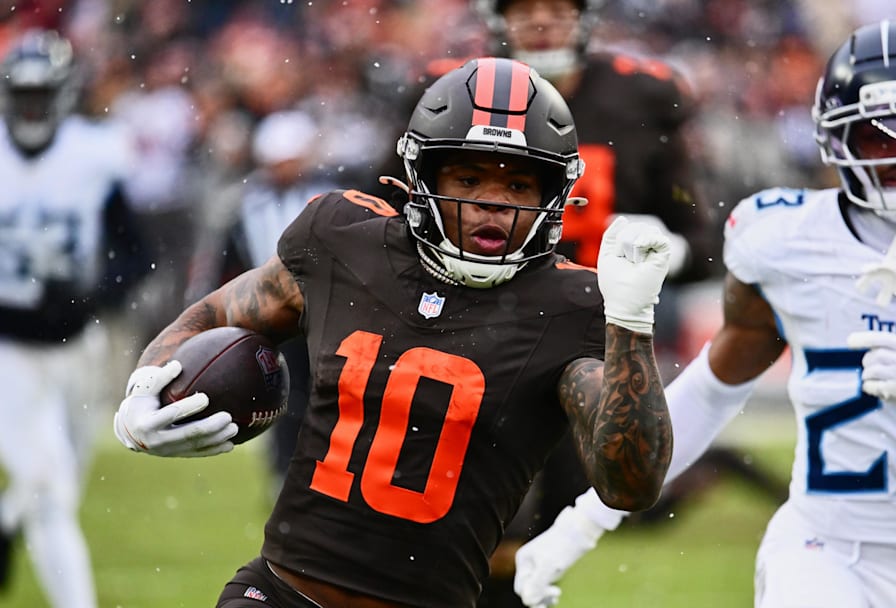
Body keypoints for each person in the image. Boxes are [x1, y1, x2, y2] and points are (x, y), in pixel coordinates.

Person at [513, 20, 896, 608]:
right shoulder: (787, 240)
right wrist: (578, 526)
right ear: (836, 142)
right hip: (817, 551)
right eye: (877, 137)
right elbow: (711, 391)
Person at [112, 57, 674, 608]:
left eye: (520, 185)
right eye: (470, 177)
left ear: (553, 194)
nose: (491, 205)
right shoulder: (345, 241)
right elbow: (216, 315)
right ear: (422, 174)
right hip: (283, 593)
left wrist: (632, 322)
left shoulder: (571, 304)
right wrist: (143, 391)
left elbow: (631, 484)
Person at [464, 2, 743, 604]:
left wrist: (663, 247)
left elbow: (704, 238)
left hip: (590, 341)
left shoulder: (641, 98)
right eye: (525, 9)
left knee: (556, 519)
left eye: (556, 8)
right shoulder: (462, 93)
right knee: (474, 525)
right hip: (482, 332)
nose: (540, 22)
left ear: (584, 16)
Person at [0, 29, 146, 607]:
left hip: (78, 341)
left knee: (65, 479)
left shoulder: (94, 154)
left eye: (43, 95)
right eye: (24, 95)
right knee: (49, 488)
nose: (33, 108)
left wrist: (94, 293)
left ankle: (7, 519)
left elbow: (134, 251)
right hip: (8, 345)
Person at [184, 109, 340, 501]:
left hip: (325, 316)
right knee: (282, 398)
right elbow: (224, 262)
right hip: (273, 318)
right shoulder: (246, 202)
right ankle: (285, 471)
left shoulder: (329, 196)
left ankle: (321, 470)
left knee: (325, 395)